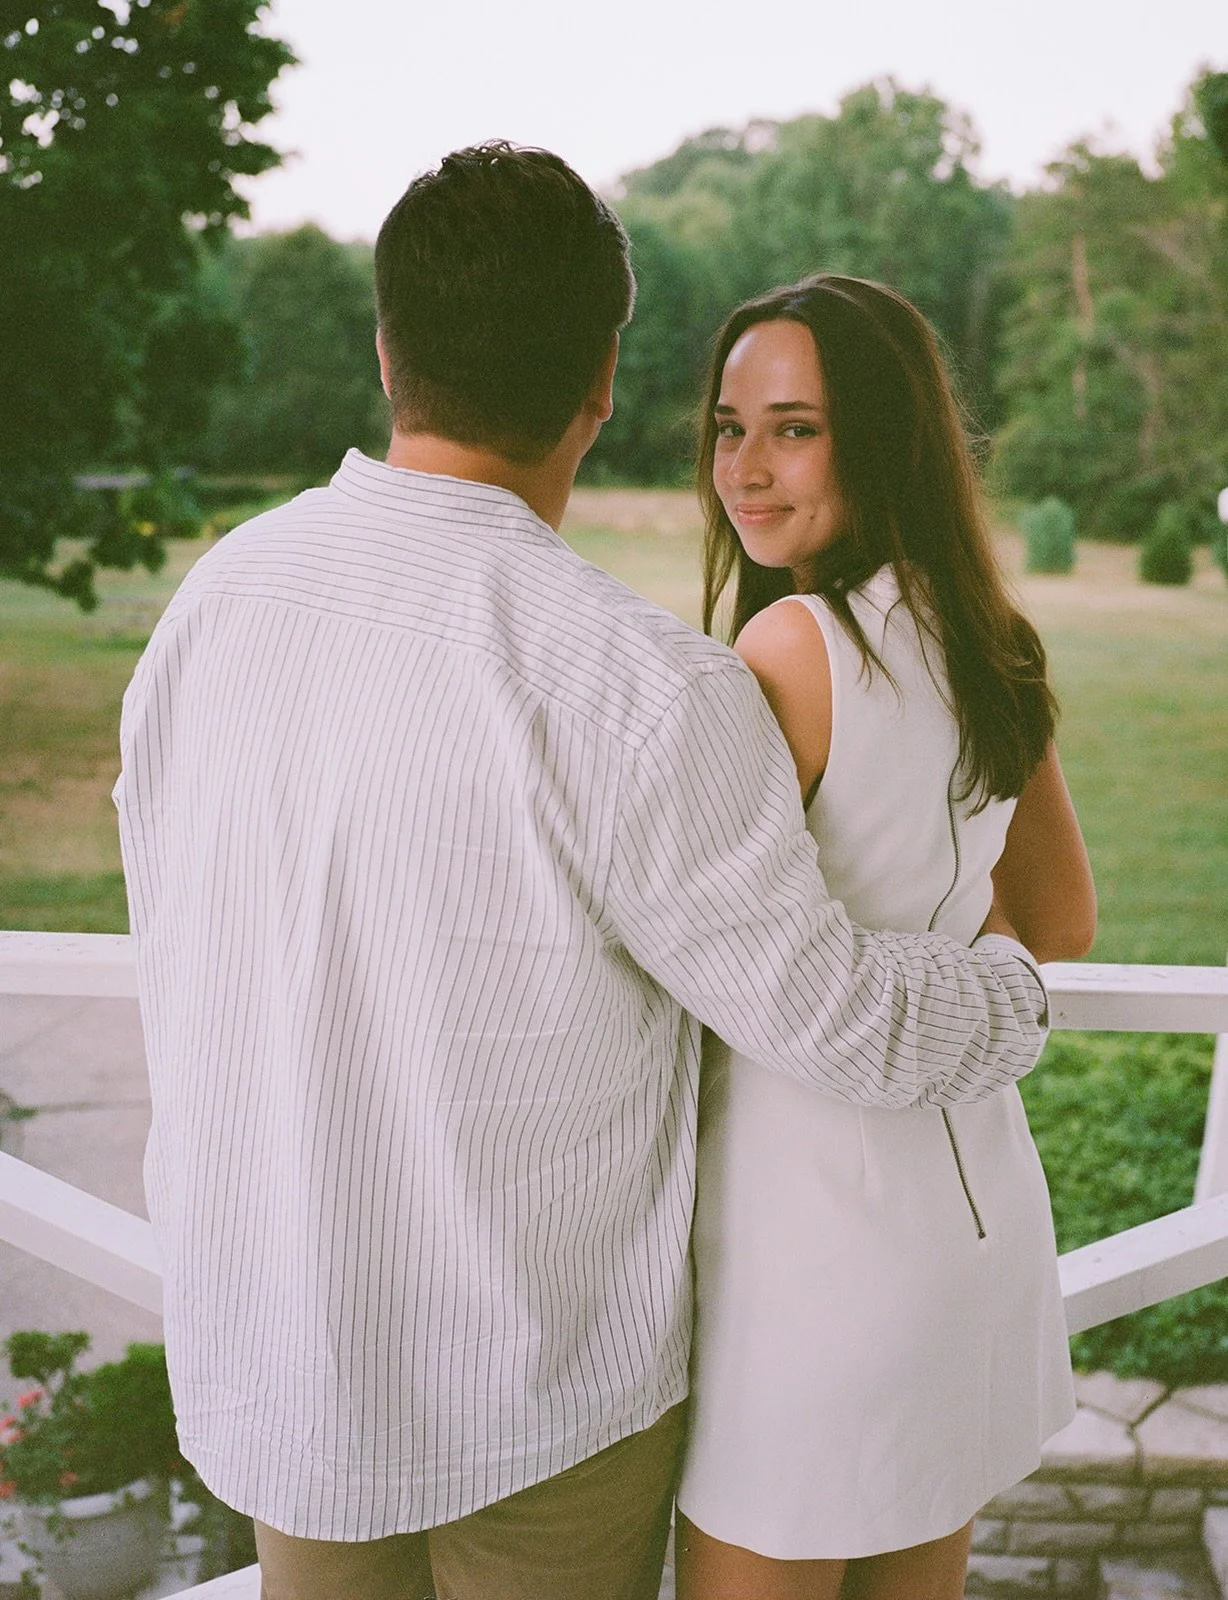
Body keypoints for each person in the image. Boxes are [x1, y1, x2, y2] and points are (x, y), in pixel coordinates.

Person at [114, 150, 1051, 1600]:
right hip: (533, 1400)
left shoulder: (215, 600)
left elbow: (167, 913)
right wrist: (1013, 992)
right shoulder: (643, 687)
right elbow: (837, 1019)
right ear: (603, 380)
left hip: (279, 1360)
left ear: (387, 353)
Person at [674, 275, 1097, 1600]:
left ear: (884, 438)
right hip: (975, 1235)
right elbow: (1062, 920)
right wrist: (959, 942)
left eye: (794, 428)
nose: (746, 467)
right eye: (730, 426)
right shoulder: (988, 639)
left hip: (808, 1264)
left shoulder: (790, 647)